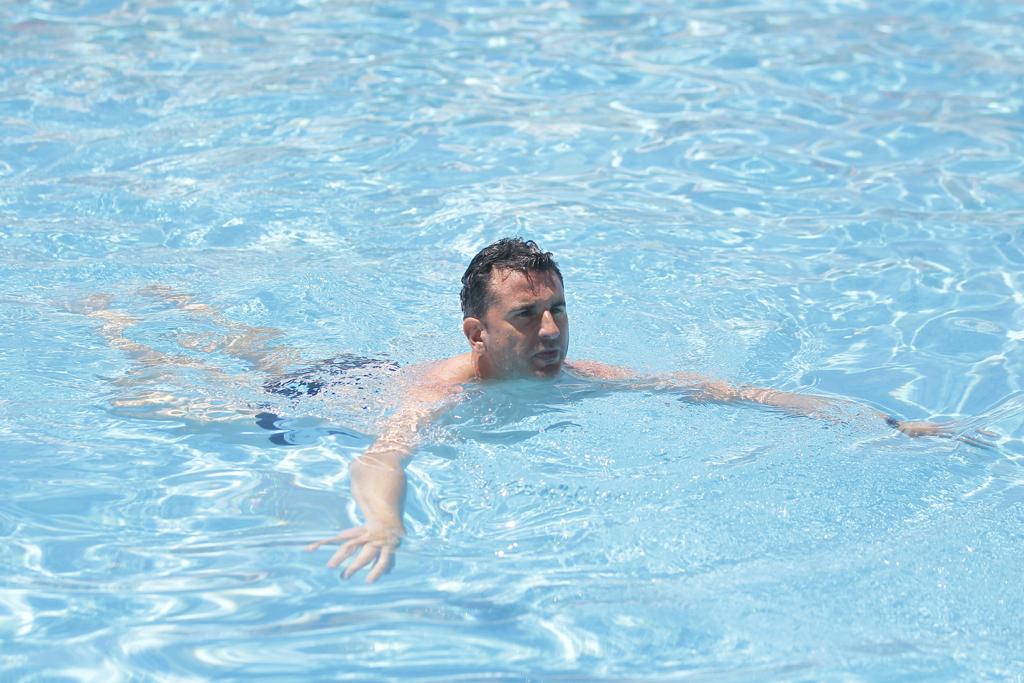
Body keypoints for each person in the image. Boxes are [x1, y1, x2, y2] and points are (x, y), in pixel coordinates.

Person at [304, 237, 968, 583]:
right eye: (526, 316)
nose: (550, 331)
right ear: (477, 333)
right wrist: (384, 523)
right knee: (227, 380)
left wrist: (878, 421)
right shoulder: (443, 392)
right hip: (324, 391)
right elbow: (384, 452)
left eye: (557, 309)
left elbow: (724, 392)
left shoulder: (580, 377)